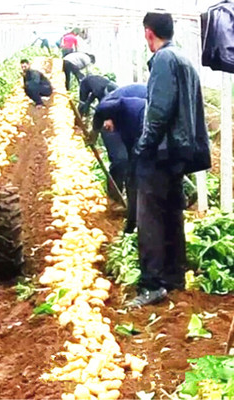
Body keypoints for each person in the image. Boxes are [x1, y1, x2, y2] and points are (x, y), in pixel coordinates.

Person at [128, 12, 211, 307]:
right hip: (179, 151)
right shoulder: (184, 58)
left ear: (149, 33)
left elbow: (160, 111)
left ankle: (152, 283)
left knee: (149, 216)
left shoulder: (163, 60)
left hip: (162, 151)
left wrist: (143, 147)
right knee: (172, 212)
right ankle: (175, 276)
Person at [94, 85, 147, 233]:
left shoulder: (160, 103)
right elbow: (105, 106)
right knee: (120, 160)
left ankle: (133, 205)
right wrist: (105, 120)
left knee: (133, 166)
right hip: (112, 121)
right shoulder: (146, 95)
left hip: (130, 125)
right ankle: (114, 199)